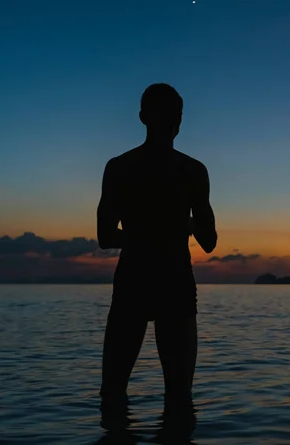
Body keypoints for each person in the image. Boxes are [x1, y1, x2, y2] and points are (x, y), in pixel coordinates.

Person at [96, 83, 217, 421]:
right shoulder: (191, 171)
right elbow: (209, 241)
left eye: (174, 115)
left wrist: (144, 236)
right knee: (173, 398)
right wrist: (183, 227)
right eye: (169, 115)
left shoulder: (122, 167)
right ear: (146, 118)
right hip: (162, 282)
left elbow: (105, 236)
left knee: (117, 394)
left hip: (147, 281)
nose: (172, 122)